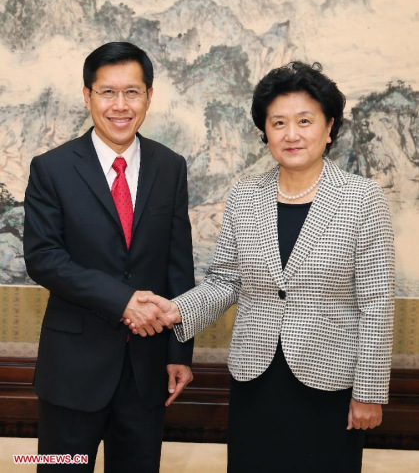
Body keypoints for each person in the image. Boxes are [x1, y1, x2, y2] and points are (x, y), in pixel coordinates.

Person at [127, 62, 395, 473]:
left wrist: (369, 391)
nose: (292, 134)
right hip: (256, 377)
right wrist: (176, 309)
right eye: (279, 122)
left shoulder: (362, 198)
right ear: (265, 132)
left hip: (332, 381)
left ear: (329, 128)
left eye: (305, 121)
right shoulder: (246, 195)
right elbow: (226, 280)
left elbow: (377, 302)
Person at [23, 41, 195, 472]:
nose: (121, 105)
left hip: (147, 370)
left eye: (132, 92)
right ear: (87, 96)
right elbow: (44, 257)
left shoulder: (169, 166)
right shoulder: (52, 168)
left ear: (149, 96)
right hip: (72, 373)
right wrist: (123, 302)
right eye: (107, 92)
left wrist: (179, 353)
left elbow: (179, 265)